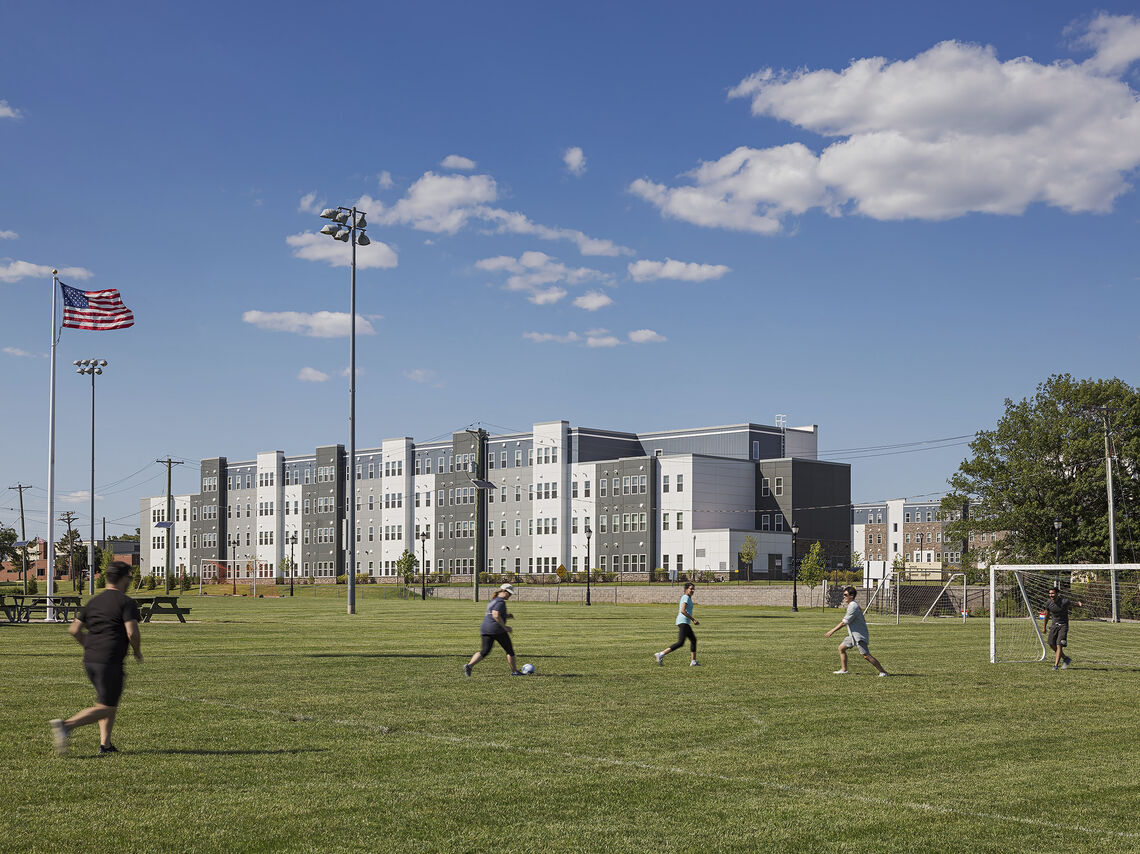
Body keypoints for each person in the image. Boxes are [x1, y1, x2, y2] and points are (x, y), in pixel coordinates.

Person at [50, 561, 142, 755]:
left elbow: (74, 629)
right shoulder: (126, 602)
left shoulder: (94, 601)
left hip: (90, 660)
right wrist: (137, 651)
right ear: (124, 579)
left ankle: (105, 745)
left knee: (106, 702)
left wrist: (90, 646)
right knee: (108, 707)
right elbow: (132, 633)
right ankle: (66, 725)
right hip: (109, 661)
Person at [825, 586, 888, 677]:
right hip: (853, 635)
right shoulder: (853, 605)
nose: (844, 597)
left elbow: (844, 623)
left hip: (859, 635)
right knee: (841, 648)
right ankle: (844, 670)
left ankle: (883, 672)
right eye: (844, 595)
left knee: (865, 655)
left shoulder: (853, 606)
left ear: (852, 595)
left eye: (846, 595)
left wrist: (832, 631)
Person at [464, 583, 519, 676]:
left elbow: (492, 614)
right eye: (509, 593)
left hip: (485, 628)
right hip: (496, 629)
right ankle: (515, 672)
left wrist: (506, 616)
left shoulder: (493, 601)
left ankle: (469, 665)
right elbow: (495, 614)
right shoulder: (500, 602)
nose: (510, 596)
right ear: (504, 591)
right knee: (509, 650)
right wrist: (505, 627)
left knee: (484, 651)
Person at [655, 582, 700, 666]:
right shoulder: (686, 597)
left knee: (693, 640)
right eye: (691, 589)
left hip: (685, 622)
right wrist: (693, 619)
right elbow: (683, 610)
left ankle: (693, 661)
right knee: (680, 642)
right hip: (683, 622)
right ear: (686, 589)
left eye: (693, 589)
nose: (693, 590)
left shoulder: (688, 598)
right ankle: (661, 654)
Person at [1042, 586, 1083, 670]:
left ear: (1057, 594)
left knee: (1059, 645)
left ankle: (1055, 665)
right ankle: (1065, 658)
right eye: (1050, 593)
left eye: (1053, 593)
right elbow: (1046, 615)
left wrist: (1078, 604)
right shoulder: (1048, 603)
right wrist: (1044, 627)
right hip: (1054, 625)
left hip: (1063, 625)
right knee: (1051, 644)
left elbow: (1072, 604)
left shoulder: (1064, 602)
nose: (1051, 595)